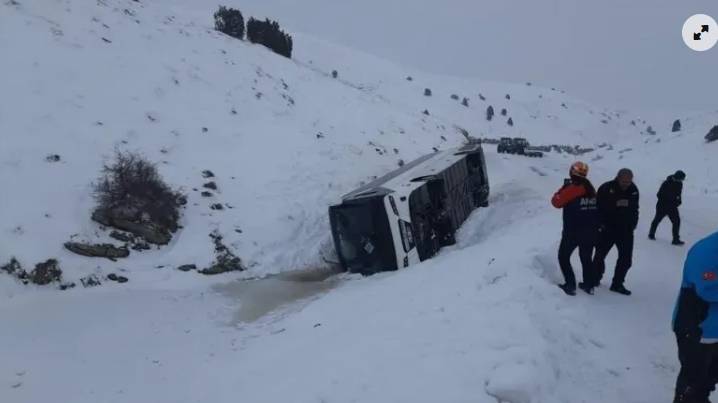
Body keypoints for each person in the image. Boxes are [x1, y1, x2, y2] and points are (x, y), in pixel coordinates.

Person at [672, 231, 718, 403]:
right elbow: (704, 287)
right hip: (696, 328)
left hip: (715, 332)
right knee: (692, 381)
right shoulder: (707, 250)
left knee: (709, 378)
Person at [551, 161, 599, 296]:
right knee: (586, 258)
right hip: (590, 231)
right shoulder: (590, 188)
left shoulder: (574, 188)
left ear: (572, 172)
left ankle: (570, 284)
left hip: (573, 231)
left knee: (563, 257)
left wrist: (563, 188)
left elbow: (556, 202)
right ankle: (588, 285)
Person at [591, 168, 639, 295]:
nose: (626, 184)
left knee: (626, 259)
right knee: (599, 256)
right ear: (618, 178)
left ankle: (617, 284)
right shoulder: (606, 188)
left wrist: (633, 224)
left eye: (629, 181)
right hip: (608, 229)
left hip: (626, 231)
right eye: (624, 181)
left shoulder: (633, 190)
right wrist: (615, 204)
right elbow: (598, 208)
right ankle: (594, 279)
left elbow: (635, 209)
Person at [650, 170, 686, 245]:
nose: (682, 180)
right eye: (681, 178)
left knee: (677, 221)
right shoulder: (666, 183)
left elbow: (679, 194)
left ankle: (675, 240)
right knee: (657, 220)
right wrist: (669, 199)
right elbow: (658, 194)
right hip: (662, 206)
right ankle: (651, 234)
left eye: (683, 179)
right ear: (677, 177)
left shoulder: (680, 184)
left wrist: (679, 201)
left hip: (673, 207)